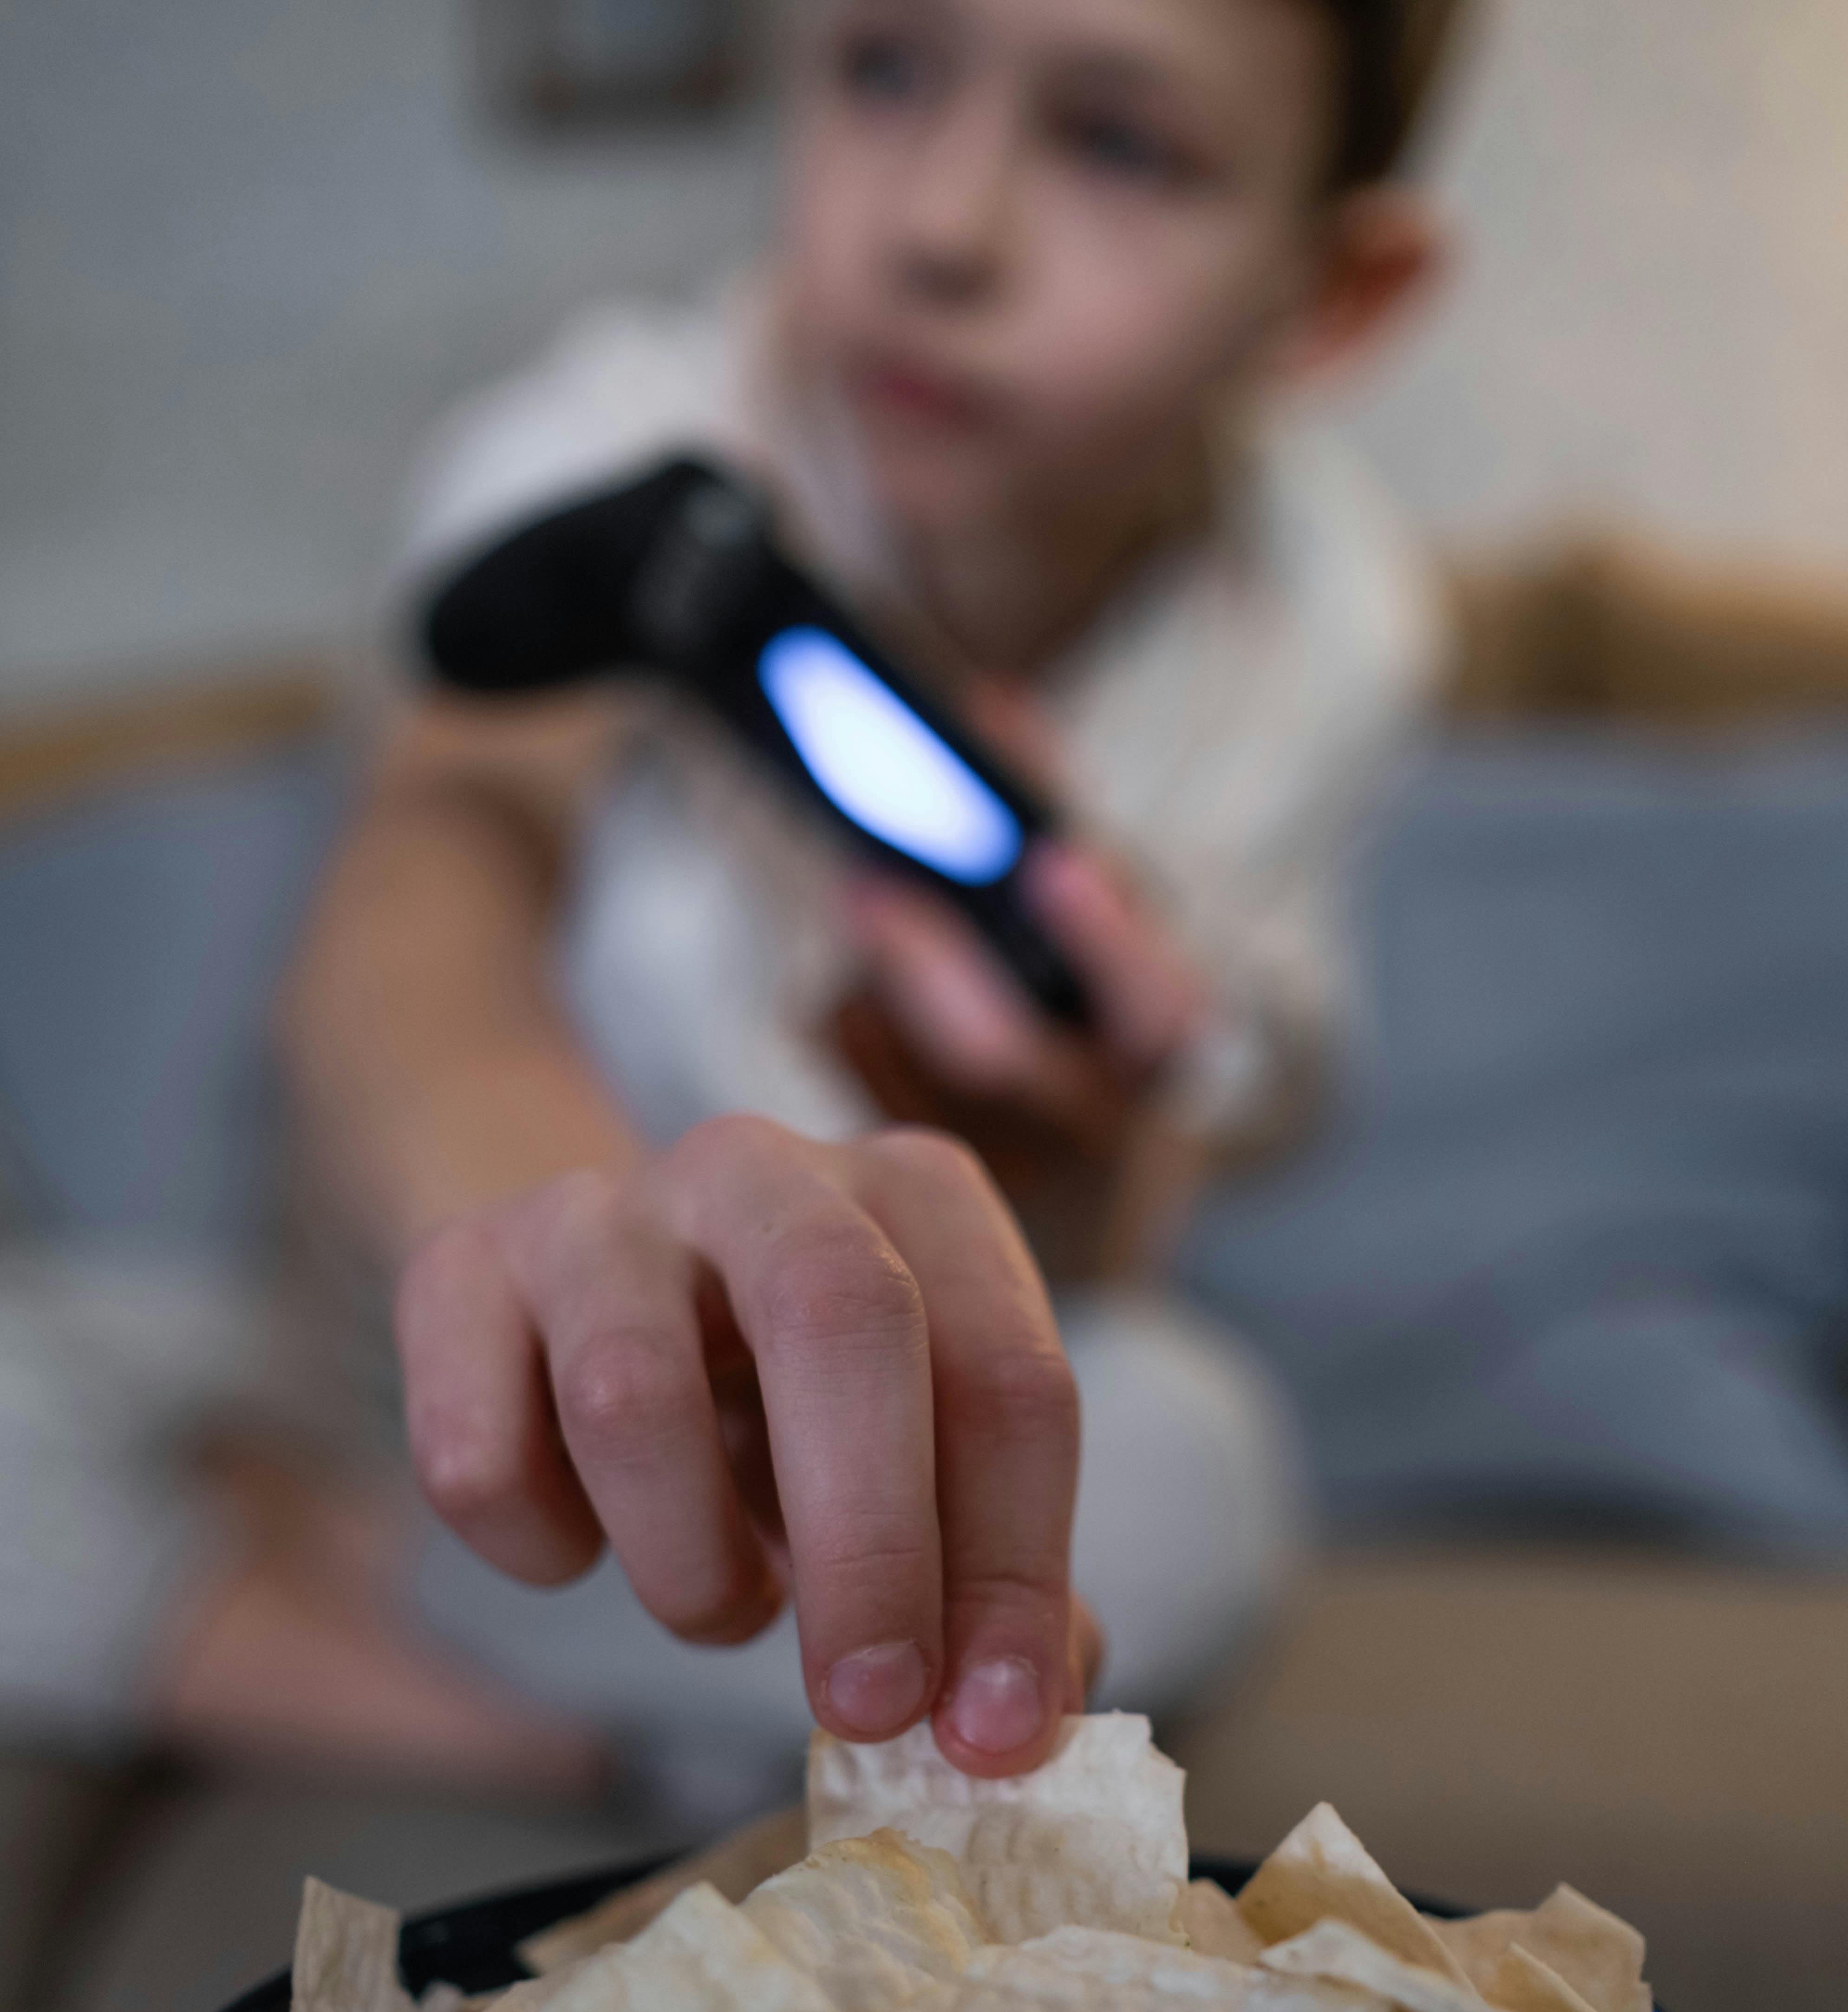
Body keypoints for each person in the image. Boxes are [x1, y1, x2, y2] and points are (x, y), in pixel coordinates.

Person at [58, 0, 1463, 1828]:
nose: (940, 223)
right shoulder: (624, 450)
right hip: (453, 1392)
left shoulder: (1323, 621)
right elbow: (428, 888)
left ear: (1332, 292)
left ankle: (393, 1645)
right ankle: (427, 1653)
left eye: (1115, 142)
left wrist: (1044, 1153)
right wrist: (572, 1266)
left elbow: (1114, 1226)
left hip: (817, 1438)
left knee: (1187, 1458)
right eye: (883, 69)